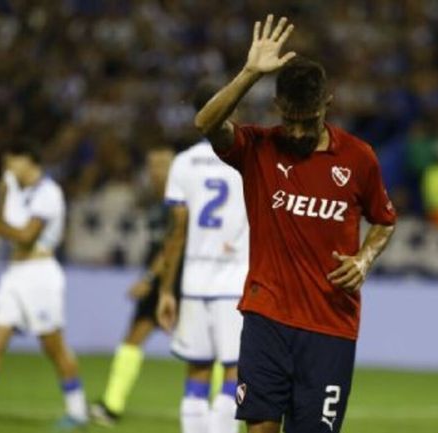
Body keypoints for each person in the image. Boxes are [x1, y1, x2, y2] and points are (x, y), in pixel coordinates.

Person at [166, 14, 397, 433]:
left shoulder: (358, 158)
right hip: (266, 316)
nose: (295, 130)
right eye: (288, 118)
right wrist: (250, 72)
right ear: (278, 108)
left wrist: (364, 258)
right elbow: (205, 123)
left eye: (306, 120)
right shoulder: (257, 147)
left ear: (327, 103)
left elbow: (383, 220)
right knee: (259, 428)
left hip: (330, 324)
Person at [0, 140, 88, 429]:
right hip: (14, 274)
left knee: (54, 347)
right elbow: (5, 227)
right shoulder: (14, 189)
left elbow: (25, 236)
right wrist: (1, 199)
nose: (7, 168)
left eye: (12, 161)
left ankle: (77, 410)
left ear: (29, 161)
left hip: (40, 275)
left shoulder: (49, 193)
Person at [156, 85, 250, 433]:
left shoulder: (182, 163)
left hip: (194, 282)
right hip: (237, 282)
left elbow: (176, 232)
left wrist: (167, 289)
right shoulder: (247, 155)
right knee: (234, 372)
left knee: (196, 373)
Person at [90, 144, 178, 425]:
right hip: (159, 282)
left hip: (180, 281)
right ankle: (112, 406)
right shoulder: (155, 205)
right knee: (133, 338)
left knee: (207, 350)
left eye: (163, 165)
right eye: (152, 165)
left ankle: (219, 410)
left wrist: (149, 279)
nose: (155, 171)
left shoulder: (181, 202)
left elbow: (172, 246)